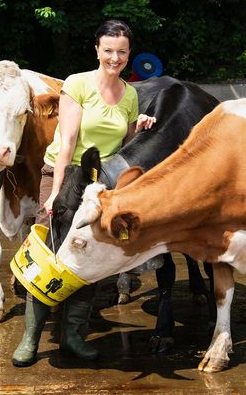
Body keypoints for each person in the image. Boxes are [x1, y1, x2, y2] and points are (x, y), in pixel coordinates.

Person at [12, 19, 156, 367]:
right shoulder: (77, 84)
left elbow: (123, 145)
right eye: (108, 50)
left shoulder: (131, 93)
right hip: (64, 174)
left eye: (121, 52)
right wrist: (55, 193)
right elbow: (68, 143)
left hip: (100, 182)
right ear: (97, 50)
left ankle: (73, 336)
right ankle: (31, 338)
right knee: (49, 254)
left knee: (87, 256)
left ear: (128, 54)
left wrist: (140, 127)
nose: (115, 57)